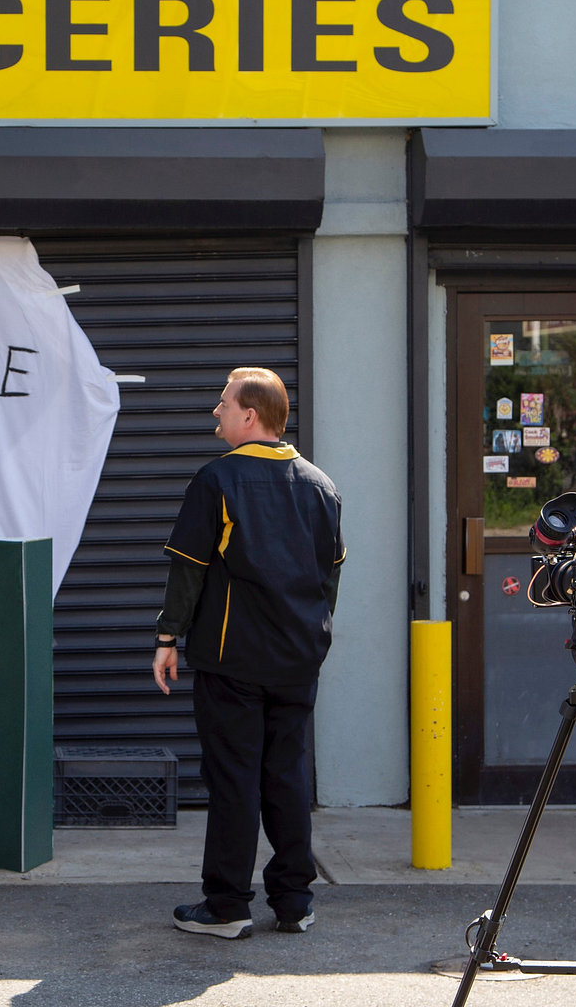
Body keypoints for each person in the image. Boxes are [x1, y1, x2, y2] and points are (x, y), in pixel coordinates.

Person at [151, 367, 345, 939]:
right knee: (287, 775)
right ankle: (293, 902)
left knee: (234, 778)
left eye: (223, 404)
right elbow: (329, 578)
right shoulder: (320, 485)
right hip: (296, 662)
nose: (216, 413)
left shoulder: (217, 480)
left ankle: (228, 906)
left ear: (250, 415)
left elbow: (187, 570)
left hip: (232, 662)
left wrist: (168, 638)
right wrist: (315, 639)